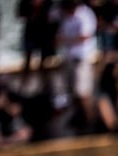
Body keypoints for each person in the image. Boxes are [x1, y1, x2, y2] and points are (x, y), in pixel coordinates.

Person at [56, 0, 97, 129]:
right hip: (69, 57)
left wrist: (65, 39)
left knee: (83, 92)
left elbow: (84, 36)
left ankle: (90, 123)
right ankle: (78, 122)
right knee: (72, 92)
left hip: (82, 58)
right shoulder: (63, 14)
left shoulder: (84, 15)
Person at [17, 0, 56, 76]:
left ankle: (44, 80)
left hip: (44, 33)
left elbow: (53, 18)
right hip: (30, 32)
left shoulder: (48, 3)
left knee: (44, 59)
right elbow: (20, 15)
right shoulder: (25, 3)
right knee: (27, 57)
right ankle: (25, 79)